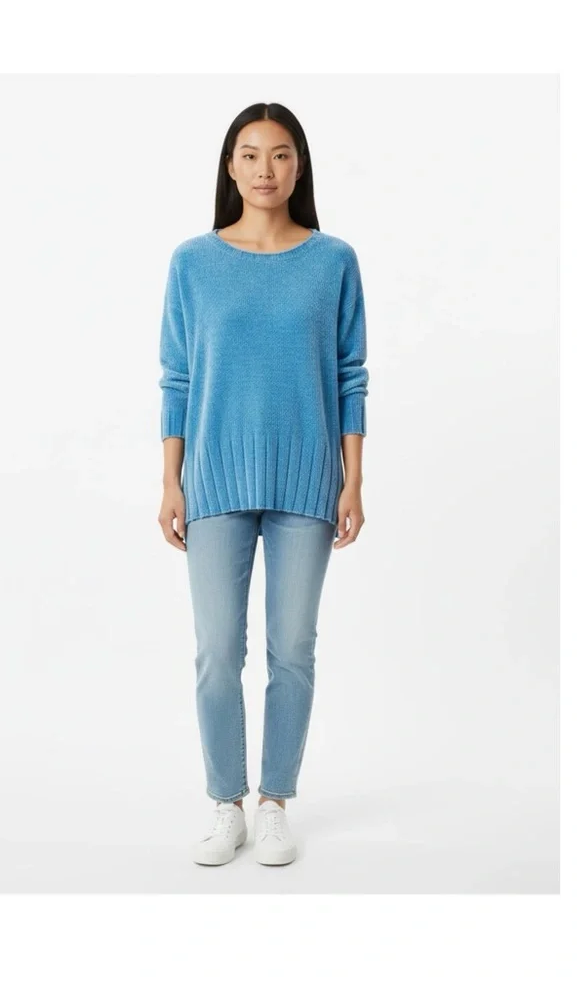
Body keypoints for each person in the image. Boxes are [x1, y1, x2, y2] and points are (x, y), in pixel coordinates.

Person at [157, 103, 369, 866]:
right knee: (218, 650)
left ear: (298, 165)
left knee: (292, 651)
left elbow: (350, 375)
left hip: (307, 482)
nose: (264, 169)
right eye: (249, 155)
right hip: (214, 481)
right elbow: (178, 377)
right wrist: (171, 481)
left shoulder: (333, 260)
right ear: (230, 166)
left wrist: (352, 481)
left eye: (279, 155)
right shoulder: (193, 262)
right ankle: (227, 804)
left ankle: (275, 802)